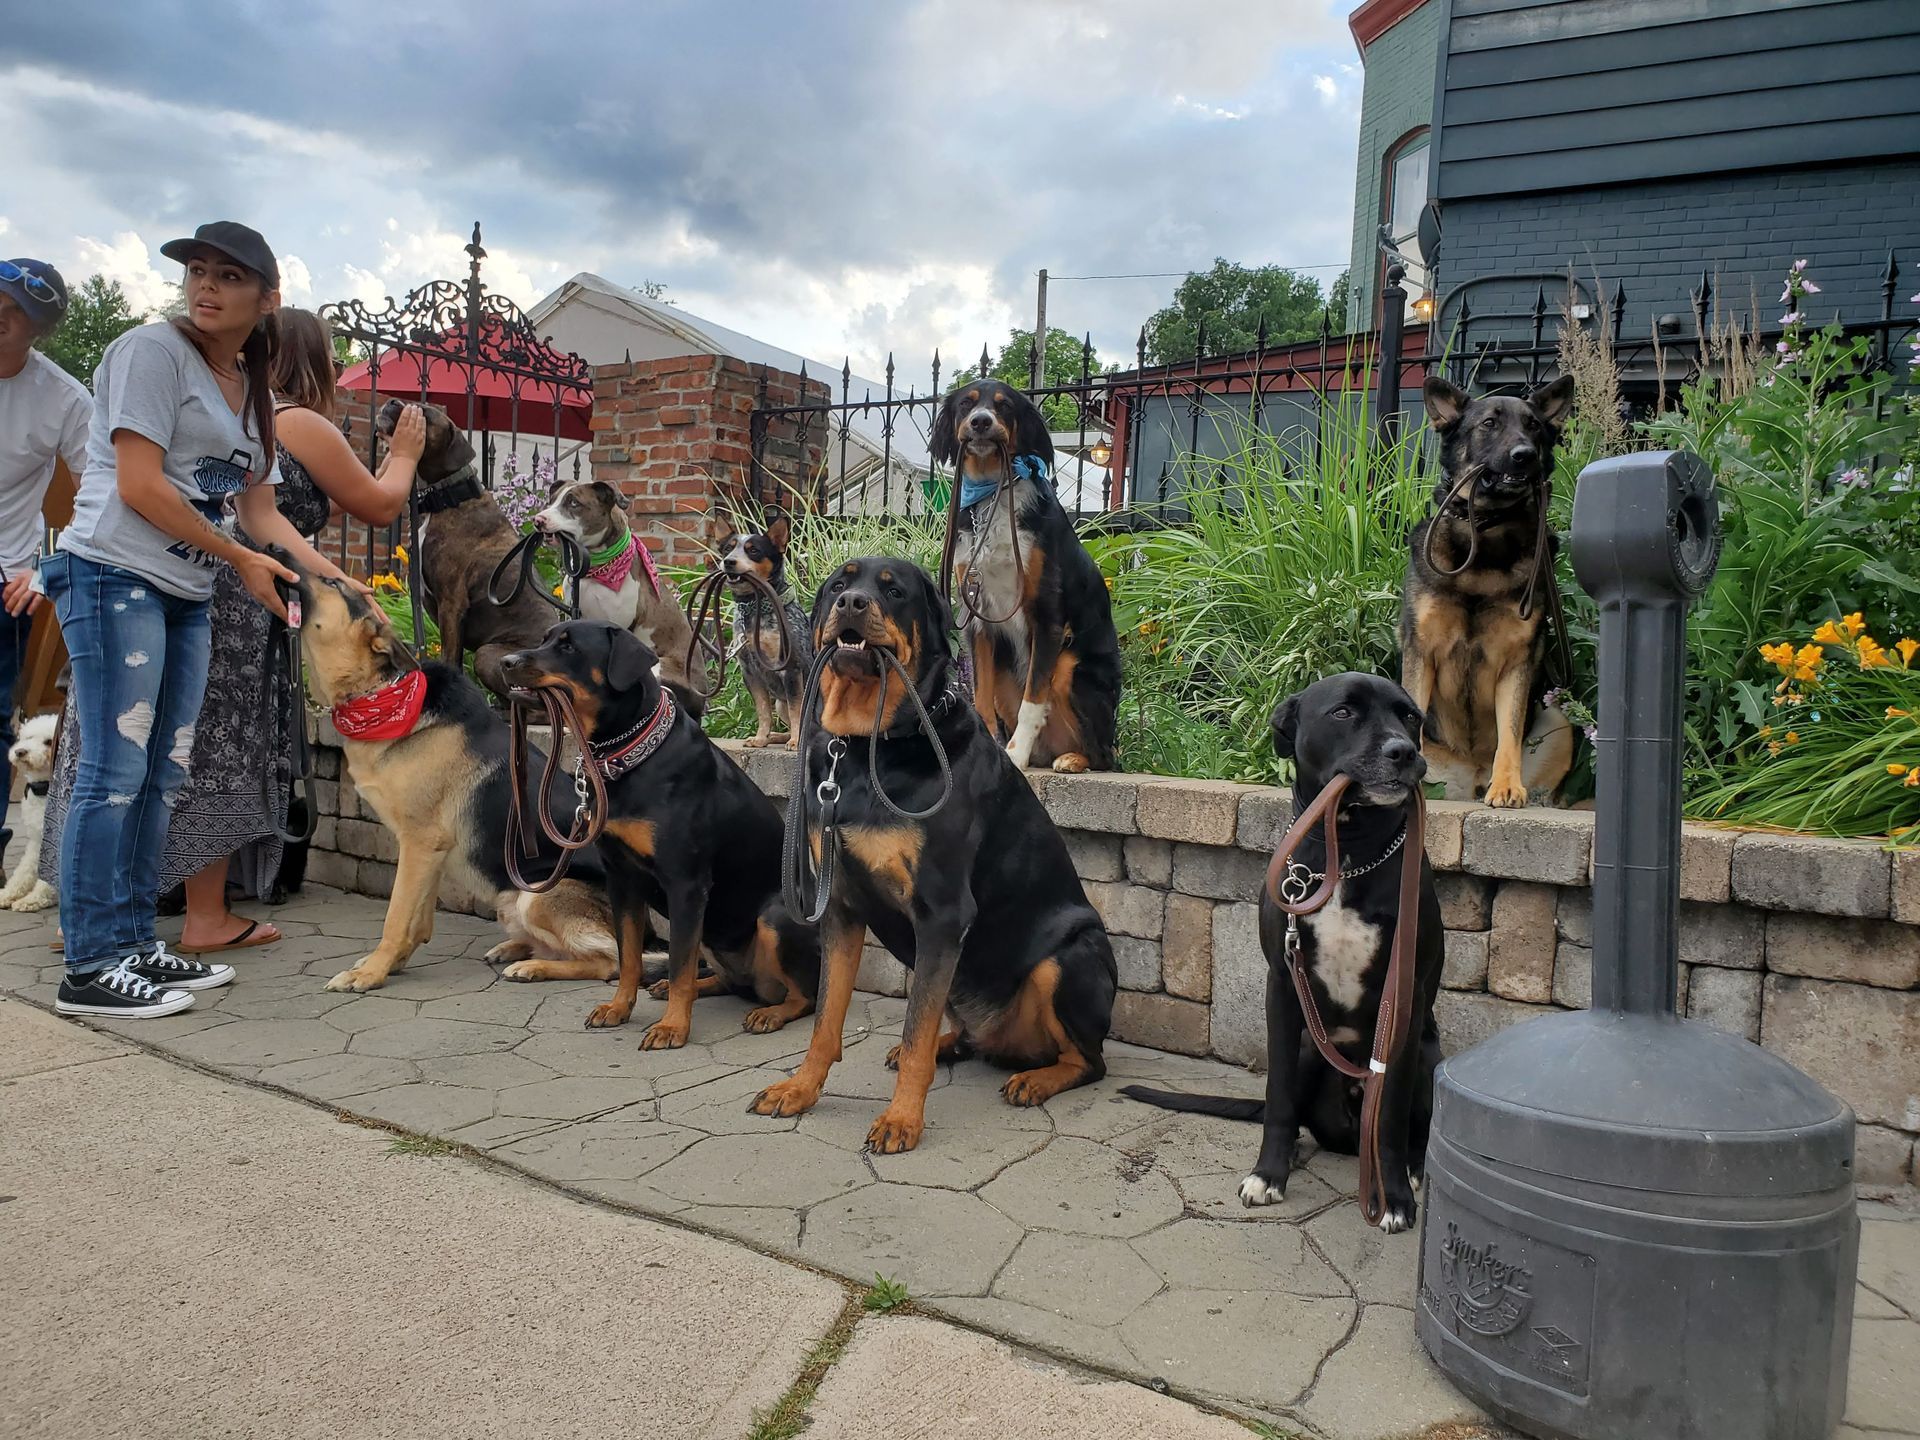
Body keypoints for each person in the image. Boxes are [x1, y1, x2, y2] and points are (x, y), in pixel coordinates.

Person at [40, 222, 367, 1019]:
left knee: (164, 773)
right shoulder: (151, 352)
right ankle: (90, 964)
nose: (205, 285)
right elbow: (140, 485)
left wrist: (328, 577)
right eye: (197, 271)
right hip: (113, 574)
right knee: (114, 774)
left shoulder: (249, 382)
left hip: (185, 591)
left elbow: (259, 509)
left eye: (228, 274)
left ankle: (132, 945)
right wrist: (239, 560)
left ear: (268, 298)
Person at [162, 308, 423, 951]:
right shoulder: (294, 420)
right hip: (250, 591)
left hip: (194, 575)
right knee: (221, 741)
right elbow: (381, 504)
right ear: (313, 361)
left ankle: (112, 905)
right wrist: (404, 455)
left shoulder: (236, 418)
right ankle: (204, 914)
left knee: (164, 737)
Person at [0, 259, 89, 856]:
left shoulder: (65, 399)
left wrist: (46, 568)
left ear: (40, 328)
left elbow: (100, 491)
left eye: (14, 312)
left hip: (6, 575)